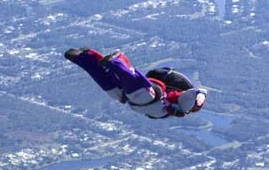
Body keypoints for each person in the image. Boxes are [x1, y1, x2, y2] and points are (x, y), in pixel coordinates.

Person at [65, 48, 205, 119]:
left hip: (147, 97)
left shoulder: (181, 105)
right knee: (109, 82)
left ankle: (113, 61)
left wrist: (201, 94)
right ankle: (83, 57)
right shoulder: (175, 109)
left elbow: (193, 97)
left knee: (128, 78)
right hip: (134, 101)